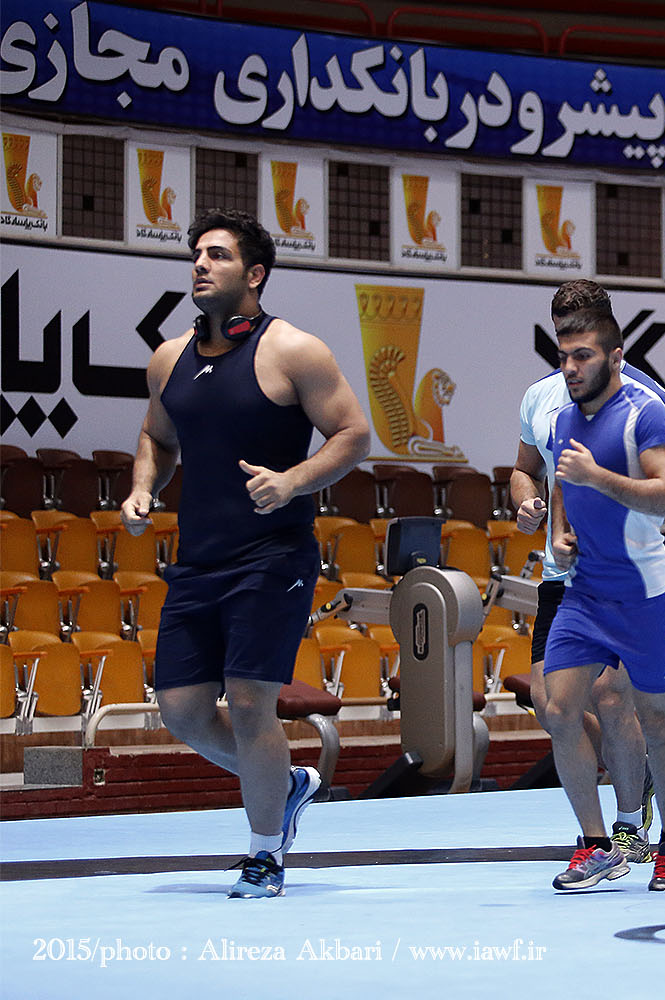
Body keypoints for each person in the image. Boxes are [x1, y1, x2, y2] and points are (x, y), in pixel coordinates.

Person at [120, 209, 371, 898]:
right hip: (198, 561)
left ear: (254, 275)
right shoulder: (168, 359)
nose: (201, 264)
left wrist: (292, 481)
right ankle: (284, 784)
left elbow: (353, 434)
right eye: (197, 254)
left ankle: (264, 854)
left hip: (272, 556)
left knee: (252, 701)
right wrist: (143, 488)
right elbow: (157, 437)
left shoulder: (295, 351)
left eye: (219, 255)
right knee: (182, 710)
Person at [507, 279, 665, 871]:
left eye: (581, 347)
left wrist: (612, 494)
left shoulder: (649, 404)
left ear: (610, 345)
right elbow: (540, 472)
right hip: (569, 580)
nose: (569, 363)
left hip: (636, 582)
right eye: (561, 344)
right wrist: (548, 519)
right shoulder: (547, 403)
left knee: (626, 703)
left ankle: (638, 831)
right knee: (555, 706)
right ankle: (604, 829)